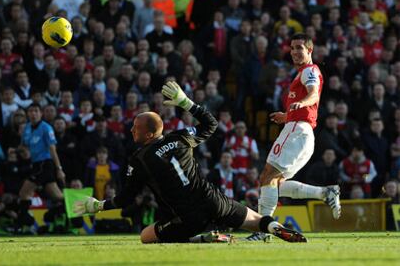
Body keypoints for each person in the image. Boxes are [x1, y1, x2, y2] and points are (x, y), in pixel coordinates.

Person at [74, 80, 307, 243]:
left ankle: (200, 239)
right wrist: (187, 103)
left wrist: (98, 205)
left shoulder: (140, 159)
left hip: (187, 217)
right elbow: (211, 125)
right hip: (212, 198)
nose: (131, 130)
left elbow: (126, 198)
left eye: (135, 128)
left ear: (147, 134)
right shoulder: (181, 137)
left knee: (146, 236)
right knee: (254, 219)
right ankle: (275, 228)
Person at [258, 34, 341, 226]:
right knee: (276, 183)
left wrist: (300, 104)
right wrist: (286, 116)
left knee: (267, 176)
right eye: (292, 48)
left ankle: (263, 229)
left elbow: (312, 96)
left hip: (297, 131)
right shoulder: (303, 72)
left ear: (309, 50)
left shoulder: (309, 71)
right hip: (302, 132)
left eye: (299, 48)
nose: (294, 52)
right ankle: (325, 193)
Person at [18, 103, 65, 232]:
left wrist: (59, 168)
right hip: (36, 165)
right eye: (31, 111)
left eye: (36, 111)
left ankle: (28, 222)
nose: (33, 113)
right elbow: (24, 146)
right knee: (57, 197)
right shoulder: (27, 128)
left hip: (45, 164)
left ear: (41, 113)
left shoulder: (46, 128)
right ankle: (74, 207)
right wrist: (20, 150)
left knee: (24, 192)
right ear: (28, 114)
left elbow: (52, 149)